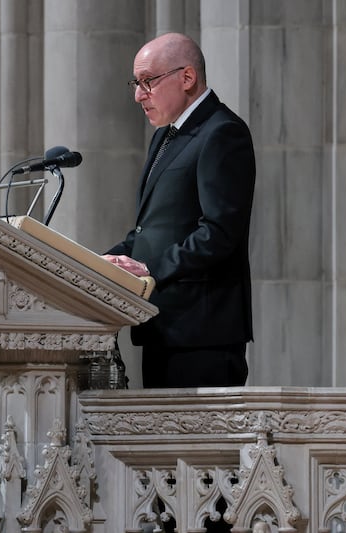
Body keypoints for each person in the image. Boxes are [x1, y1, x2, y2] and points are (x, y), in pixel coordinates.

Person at [103, 33, 255, 389]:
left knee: (197, 447)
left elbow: (219, 232)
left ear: (186, 78)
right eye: (136, 83)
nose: (138, 95)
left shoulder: (222, 132)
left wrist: (150, 267)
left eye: (147, 82)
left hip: (202, 335)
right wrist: (99, 262)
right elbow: (151, 231)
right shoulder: (166, 137)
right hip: (162, 327)